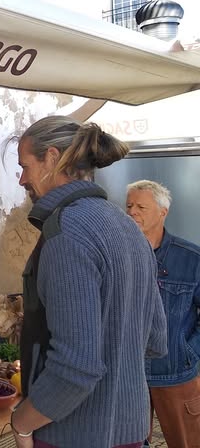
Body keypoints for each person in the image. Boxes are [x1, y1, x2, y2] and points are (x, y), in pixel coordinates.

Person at [10, 116, 167, 448]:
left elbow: (76, 368)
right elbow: (155, 339)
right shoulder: (129, 228)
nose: (22, 179)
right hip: (132, 431)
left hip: (71, 435)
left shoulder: (66, 234)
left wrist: (22, 422)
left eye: (25, 166)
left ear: (52, 158)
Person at [126, 180, 200, 447]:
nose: (132, 212)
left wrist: (190, 351)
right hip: (128, 376)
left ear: (162, 212)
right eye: (129, 206)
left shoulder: (191, 258)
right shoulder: (117, 255)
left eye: (141, 206)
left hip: (176, 373)